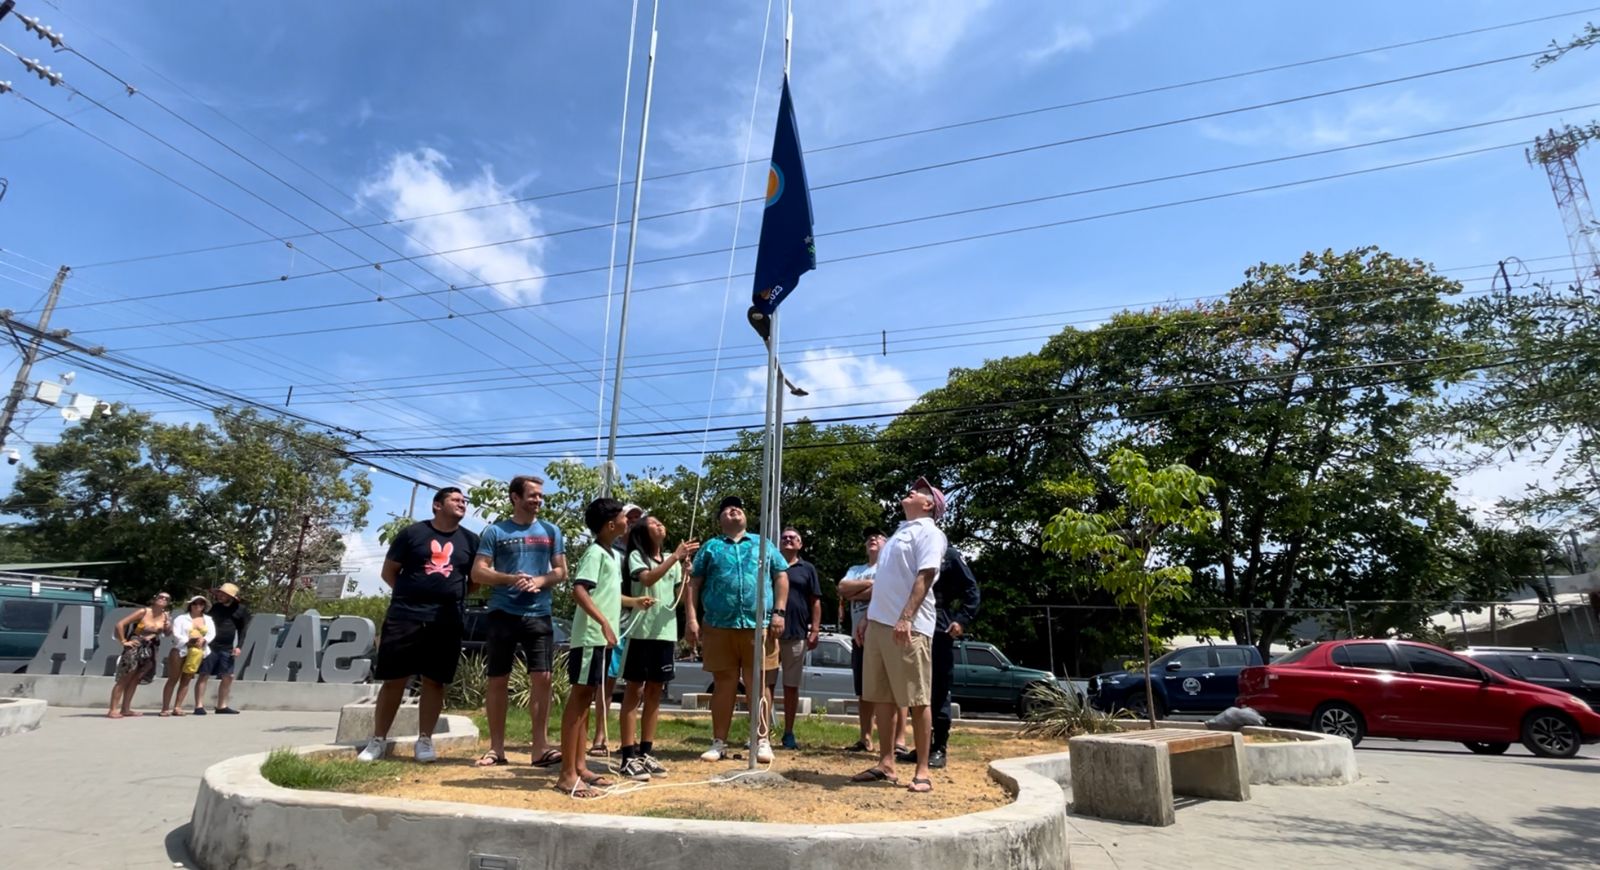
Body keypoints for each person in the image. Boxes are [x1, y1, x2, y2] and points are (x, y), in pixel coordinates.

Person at [357, 487, 479, 764]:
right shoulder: (412, 534)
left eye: (464, 501)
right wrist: (412, 596)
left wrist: (447, 596)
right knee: (394, 680)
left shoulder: (471, 540)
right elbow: (389, 572)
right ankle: (378, 740)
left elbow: (474, 581)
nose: (462, 503)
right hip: (405, 616)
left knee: (435, 681)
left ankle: (424, 741)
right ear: (437, 505)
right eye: (455, 499)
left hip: (447, 620)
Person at [851, 476, 948, 794]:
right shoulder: (897, 535)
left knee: (918, 699)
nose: (912, 490)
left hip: (910, 626)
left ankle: (922, 771)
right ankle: (886, 764)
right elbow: (884, 583)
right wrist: (867, 617)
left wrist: (906, 617)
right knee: (880, 696)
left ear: (929, 504)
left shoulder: (931, 533)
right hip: (879, 625)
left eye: (920, 491)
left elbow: (926, 575)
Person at [556, 498, 654, 798]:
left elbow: (607, 595)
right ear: (611, 524)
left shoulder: (613, 555)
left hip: (602, 639)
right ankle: (566, 774)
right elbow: (579, 589)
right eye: (625, 517)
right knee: (579, 700)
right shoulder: (595, 553)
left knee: (586, 703)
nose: (629, 522)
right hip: (590, 639)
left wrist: (633, 602)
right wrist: (603, 624)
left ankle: (581, 765)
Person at [471, 475, 567, 767]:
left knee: (543, 678)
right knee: (498, 679)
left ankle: (540, 748)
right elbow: (478, 572)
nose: (538, 500)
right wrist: (511, 579)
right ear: (515, 497)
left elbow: (561, 572)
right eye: (532, 495)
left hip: (539, 613)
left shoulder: (551, 531)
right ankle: (496, 749)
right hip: (503, 613)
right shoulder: (495, 531)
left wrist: (539, 579)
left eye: (540, 496)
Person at [685, 495, 788, 763]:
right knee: (724, 684)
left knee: (759, 683)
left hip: (759, 625)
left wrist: (779, 612)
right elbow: (693, 584)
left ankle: (761, 739)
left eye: (738, 507)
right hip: (719, 626)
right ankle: (719, 742)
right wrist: (692, 619)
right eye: (727, 508)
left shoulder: (762, 543)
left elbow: (781, 575)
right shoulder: (711, 547)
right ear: (719, 519)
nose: (734, 509)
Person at [617, 515, 699, 781]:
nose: (661, 525)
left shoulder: (670, 560)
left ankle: (646, 751)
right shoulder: (636, 558)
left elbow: (677, 594)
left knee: (655, 691)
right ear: (643, 532)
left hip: (665, 633)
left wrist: (686, 576)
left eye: (662, 522)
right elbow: (649, 579)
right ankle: (628, 755)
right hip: (641, 633)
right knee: (635, 689)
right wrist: (675, 558)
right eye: (654, 523)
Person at [836, 529, 907, 756]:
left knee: (895, 688)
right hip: (860, 637)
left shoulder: (892, 566)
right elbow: (842, 588)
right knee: (865, 689)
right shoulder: (856, 569)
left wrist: (857, 592)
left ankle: (899, 740)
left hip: (887, 632)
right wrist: (869, 587)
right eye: (868, 538)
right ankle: (865, 737)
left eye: (878, 536)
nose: (872, 539)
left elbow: (888, 590)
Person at [591, 502, 645, 757]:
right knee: (606, 681)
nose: (633, 522)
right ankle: (600, 735)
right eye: (629, 517)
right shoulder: (607, 550)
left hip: (638, 624)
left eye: (637, 518)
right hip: (614, 622)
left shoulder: (642, 551)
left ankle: (632, 738)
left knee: (638, 683)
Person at [927, 545, 980, 769]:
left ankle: (939, 746)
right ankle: (922, 745)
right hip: (911, 622)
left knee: (938, 688)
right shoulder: (910, 549)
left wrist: (962, 620)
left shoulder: (947, 553)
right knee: (918, 691)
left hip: (939, 625)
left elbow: (971, 588)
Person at [774, 526, 820, 750]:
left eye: (793, 538)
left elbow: (815, 601)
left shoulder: (807, 569)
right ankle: (760, 733)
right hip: (770, 634)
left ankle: (788, 733)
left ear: (800, 544)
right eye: (784, 538)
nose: (788, 540)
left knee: (791, 686)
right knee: (765, 684)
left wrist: (815, 630)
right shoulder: (772, 565)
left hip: (797, 634)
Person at [108, 592, 171, 718]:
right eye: (160, 597)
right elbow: (120, 624)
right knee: (125, 677)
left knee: (136, 679)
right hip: (135, 646)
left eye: (166, 598)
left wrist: (168, 625)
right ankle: (113, 709)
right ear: (154, 599)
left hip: (151, 649)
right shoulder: (143, 612)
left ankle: (126, 708)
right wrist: (124, 641)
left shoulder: (165, 616)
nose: (163, 599)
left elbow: (167, 634)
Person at [192, 582, 250, 715]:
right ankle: (199, 705)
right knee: (204, 674)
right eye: (219, 593)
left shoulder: (241, 610)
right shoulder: (215, 608)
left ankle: (221, 705)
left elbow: (243, 630)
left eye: (224, 594)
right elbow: (204, 623)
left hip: (228, 647)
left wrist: (239, 646)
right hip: (211, 645)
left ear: (232, 597)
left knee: (228, 676)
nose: (220, 596)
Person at [161, 595, 215, 717]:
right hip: (181, 649)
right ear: (190, 605)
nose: (198, 606)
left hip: (198, 651)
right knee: (173, 678)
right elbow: (176, 634)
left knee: (187, 679)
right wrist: (188, 641)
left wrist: (204, 640)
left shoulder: (208, 619)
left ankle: (178, 707)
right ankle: (165, 708)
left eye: (201, 604)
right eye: (195, 603)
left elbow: (211, 634)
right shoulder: (181, 618)